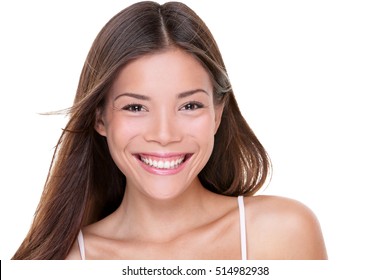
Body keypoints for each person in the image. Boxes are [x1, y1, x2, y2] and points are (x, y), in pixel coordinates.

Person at [12, 1, 327, 260]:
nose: (164, 135)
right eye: (136, 107)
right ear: (100, 119)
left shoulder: (282, 233)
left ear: (218, 114)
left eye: (189, 106)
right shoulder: (66, 262)